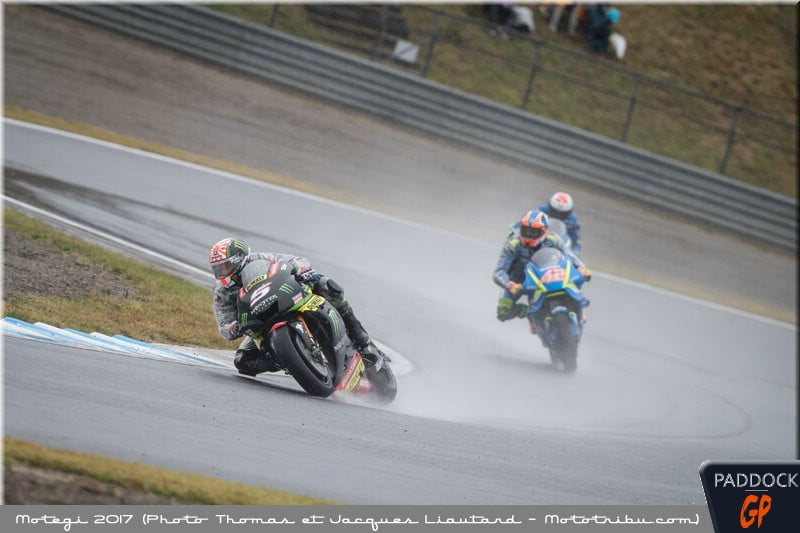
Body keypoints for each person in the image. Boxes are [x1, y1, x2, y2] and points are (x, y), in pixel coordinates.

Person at [208, 238, 380, 377]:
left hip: (287, 296)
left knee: (327, 286)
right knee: (242, 361)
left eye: (225, 266)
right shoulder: (221, 291)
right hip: (259, 321)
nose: (222, 272)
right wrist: (233, 328)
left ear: (239, 259)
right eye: (218, 269)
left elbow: (295, 260)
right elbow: (223, 324)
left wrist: (302, 270)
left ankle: (363, 341)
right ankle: (285, 360)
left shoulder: (260, 259)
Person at [493, 210, 591, 334]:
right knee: (503, 311)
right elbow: (499, 271)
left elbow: (570, 257)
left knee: (575, 278)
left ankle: (578, 306)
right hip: (519, 279)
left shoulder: (554, 240)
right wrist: (509, 284)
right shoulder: (512, 245)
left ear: (544, 231)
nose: (529, 236)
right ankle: (529, 313)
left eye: (533, 232)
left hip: (546, 272)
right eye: (526, 231)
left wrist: (581, 268)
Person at [506, 192, 582, 253]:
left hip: (558, 242)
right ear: (549, 207)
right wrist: (515, 231)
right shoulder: (541, 210)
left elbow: (576, 238)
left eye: (562, 214)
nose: (558, 216)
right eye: (554, 212)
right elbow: (527, 221)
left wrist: (574, 251)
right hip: (538, 237)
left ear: (568, 212)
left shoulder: (573, 220)